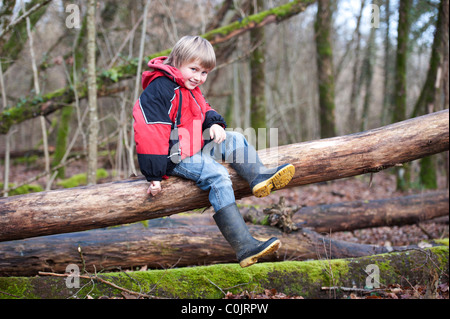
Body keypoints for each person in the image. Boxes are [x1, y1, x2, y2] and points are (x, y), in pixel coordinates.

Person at [133, 35, 295, 267]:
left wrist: (214, 123)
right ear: (177, 60)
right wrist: (155, 175)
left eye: (204, 73)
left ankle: (258, 177)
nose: (199, 77)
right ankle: (244, 246)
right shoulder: (160, 89)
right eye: (194, 69)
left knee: (235, 137)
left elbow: (203, 108)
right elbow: (150, 132)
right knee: (218, 175)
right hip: (173, 156)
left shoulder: (189, 86)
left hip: (194, 144)